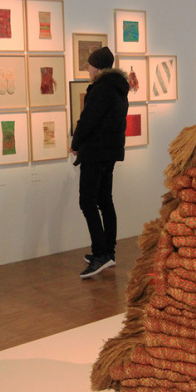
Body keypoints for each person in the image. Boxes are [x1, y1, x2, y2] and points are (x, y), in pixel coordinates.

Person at [69, 46, 129, 279]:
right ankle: (109, 252)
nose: (88, 69)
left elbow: (87, 121)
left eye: (90, 65)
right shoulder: (118, 88)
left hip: (95, 153)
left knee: (87, 202)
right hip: (110, 153)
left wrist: (76, 143)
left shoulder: (100, 89)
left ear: (97, 67)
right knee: (105, 200)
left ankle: (100, 253)